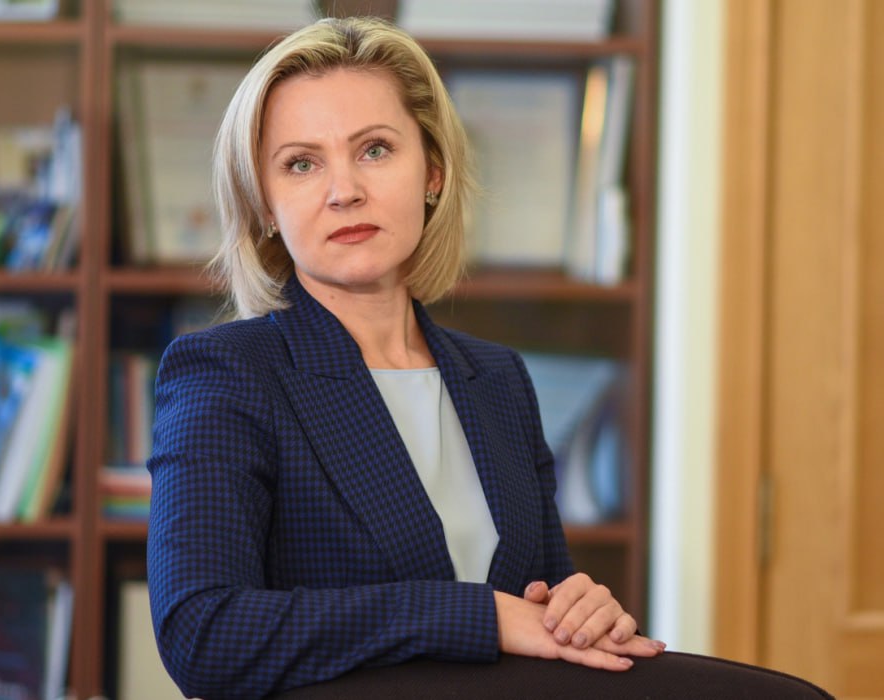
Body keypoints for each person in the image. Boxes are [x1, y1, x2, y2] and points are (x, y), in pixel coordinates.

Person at [146, 16, 832, 700]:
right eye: (302, 163)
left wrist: (578, 608)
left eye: (375, 150)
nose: (344, 189)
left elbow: (539, 599)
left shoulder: (497, 378)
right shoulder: (228, 373)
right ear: (265, 205)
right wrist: (478, 616)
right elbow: (202, 633)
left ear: (432, 172)